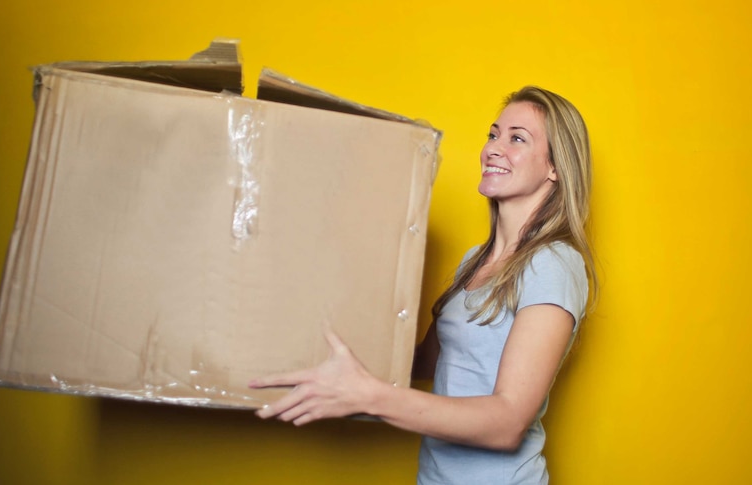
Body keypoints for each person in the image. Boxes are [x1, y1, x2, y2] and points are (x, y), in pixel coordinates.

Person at [249, 85, 597, 484]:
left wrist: (370, 397)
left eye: (517, 138)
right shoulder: (474, 261)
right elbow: (424, 362)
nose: (494, 149)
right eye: (493, 134)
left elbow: (508, 423)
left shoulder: (552, 264)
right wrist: (308, 348)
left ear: (556, 167)